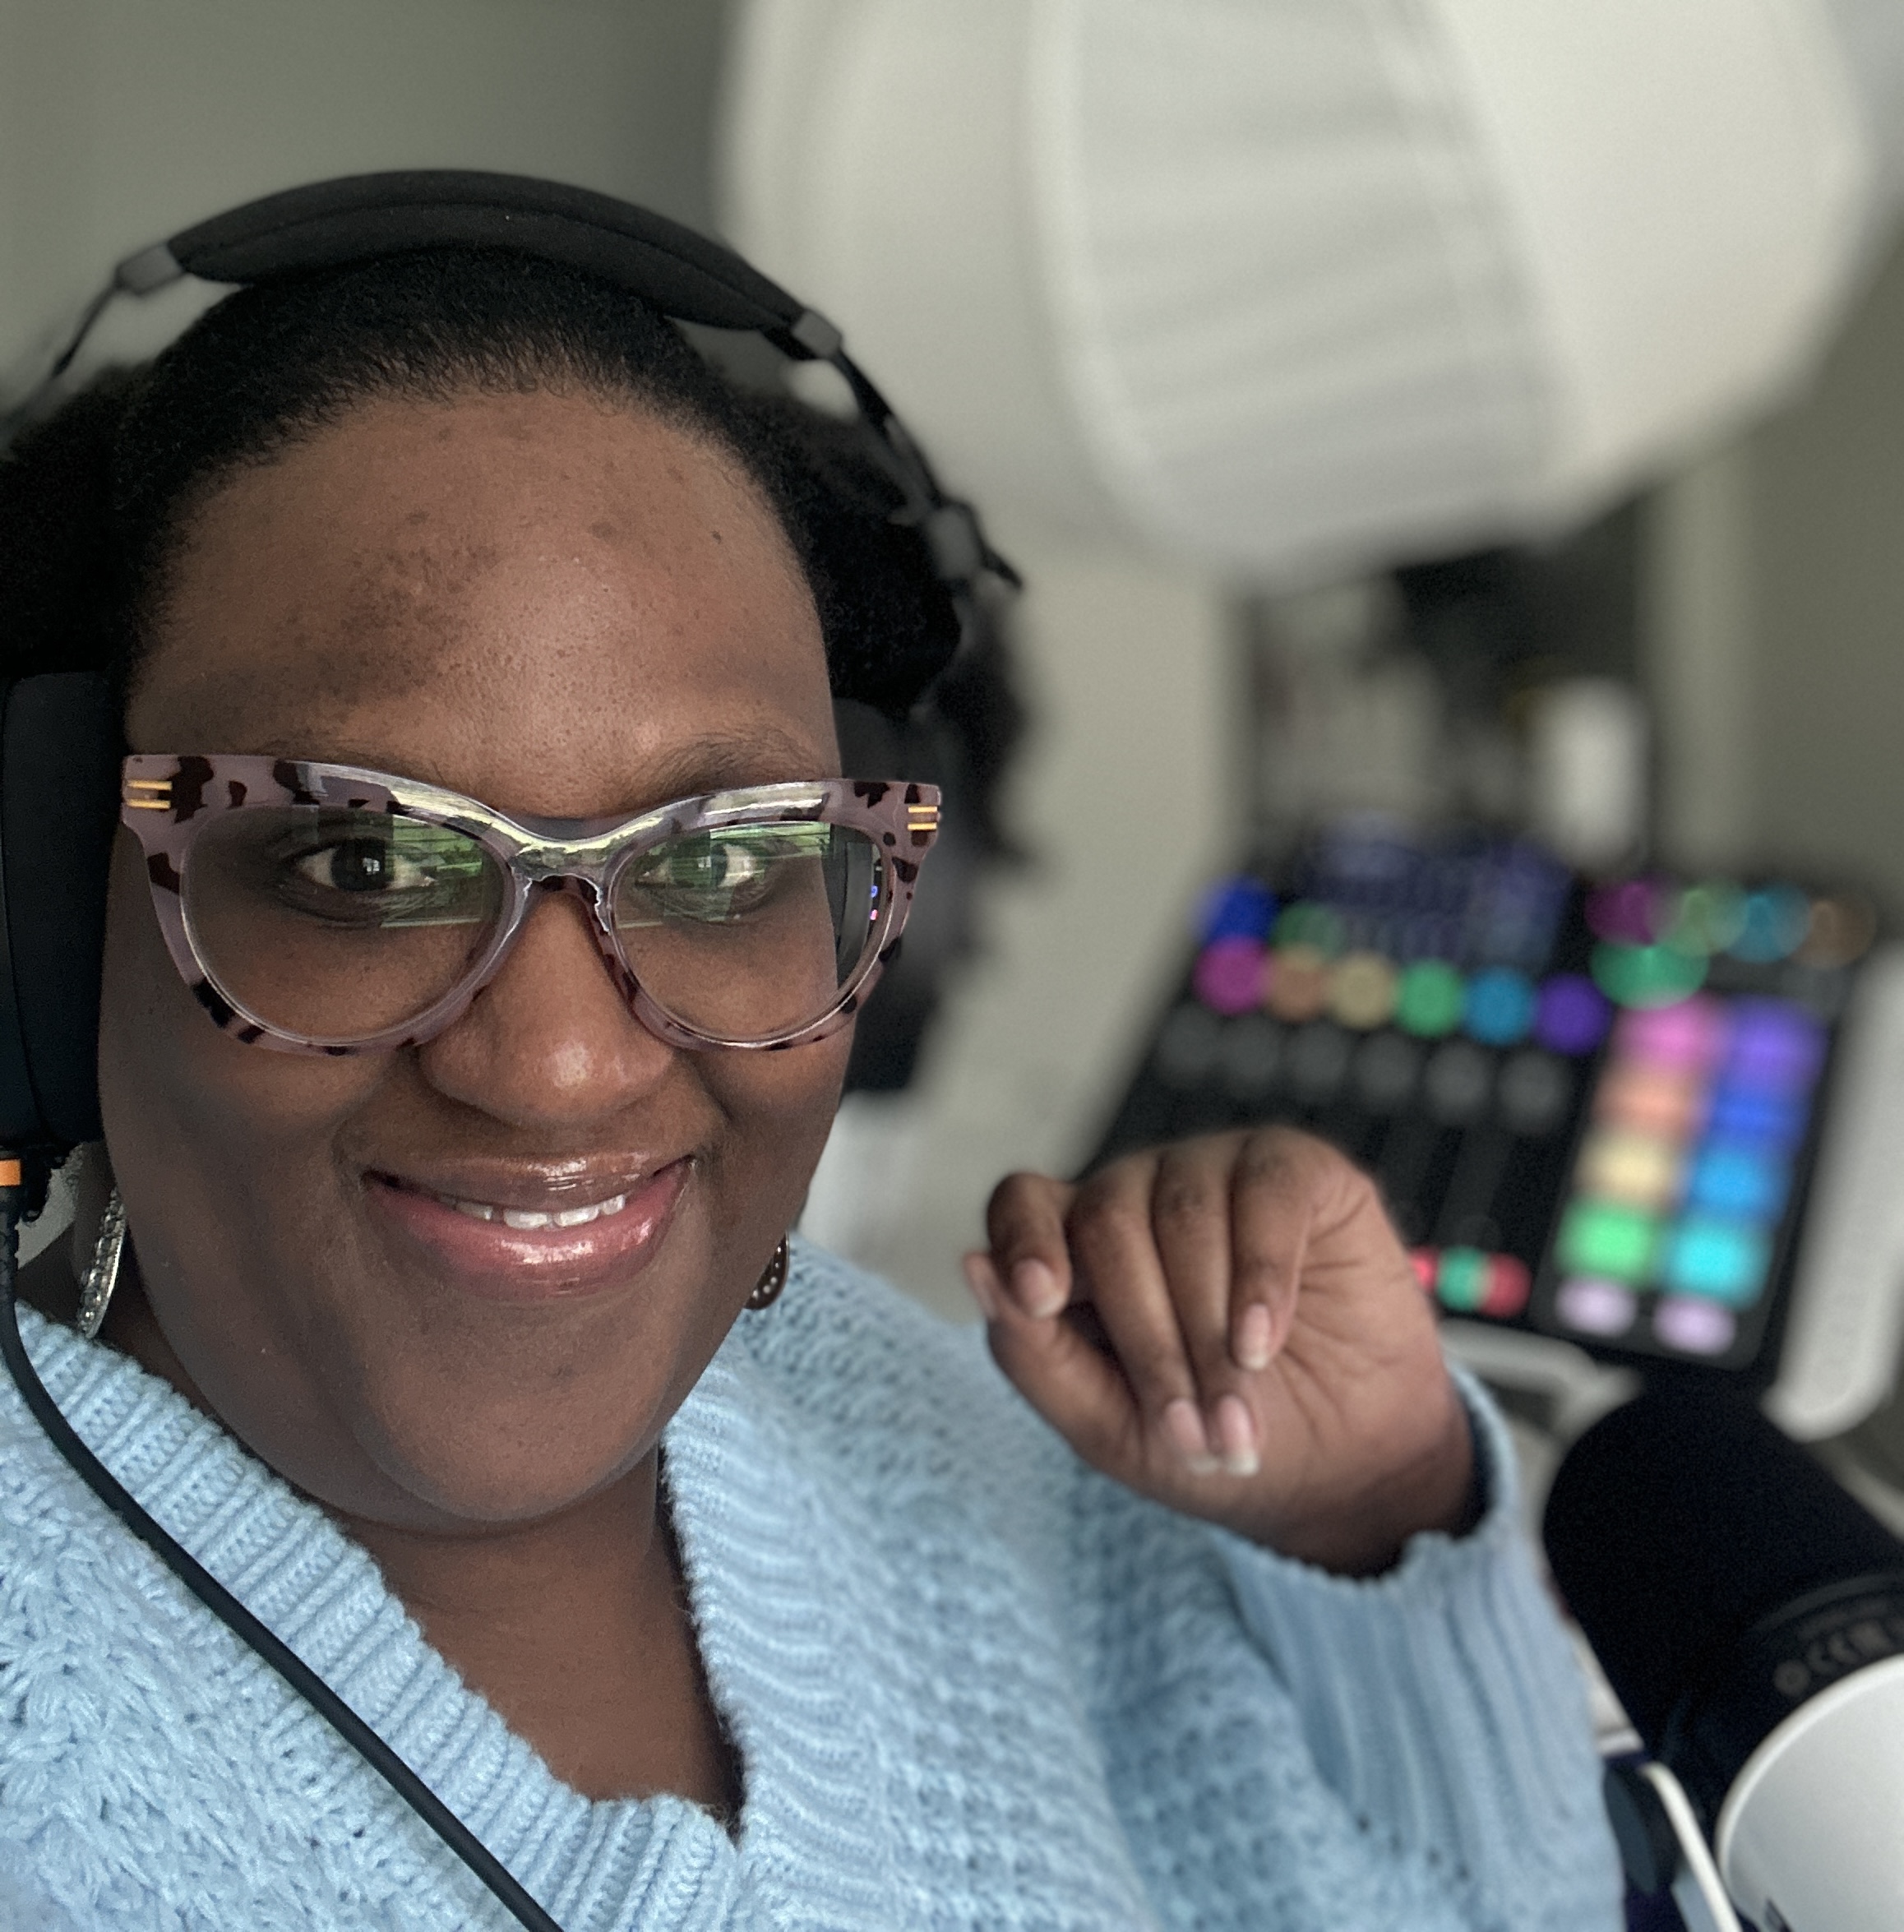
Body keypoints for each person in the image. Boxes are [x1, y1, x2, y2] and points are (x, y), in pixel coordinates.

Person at [0, 218, 1621, 1928]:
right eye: (363, 863)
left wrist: (1375, 1515)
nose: (558, 1066)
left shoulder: (942, 1443)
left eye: (717, 861)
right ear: (41, 907)